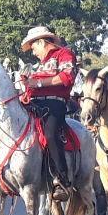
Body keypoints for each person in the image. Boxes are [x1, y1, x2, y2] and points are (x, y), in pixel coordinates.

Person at [21, 26, 77, 202]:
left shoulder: (65, 55)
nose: (34, 52)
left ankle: (62, 181)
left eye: (34, 47)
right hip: (34, 104)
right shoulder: (39, 65)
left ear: (41, 42)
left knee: (50, 134)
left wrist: (37, 84)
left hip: (54, 103)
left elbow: (66, 77)